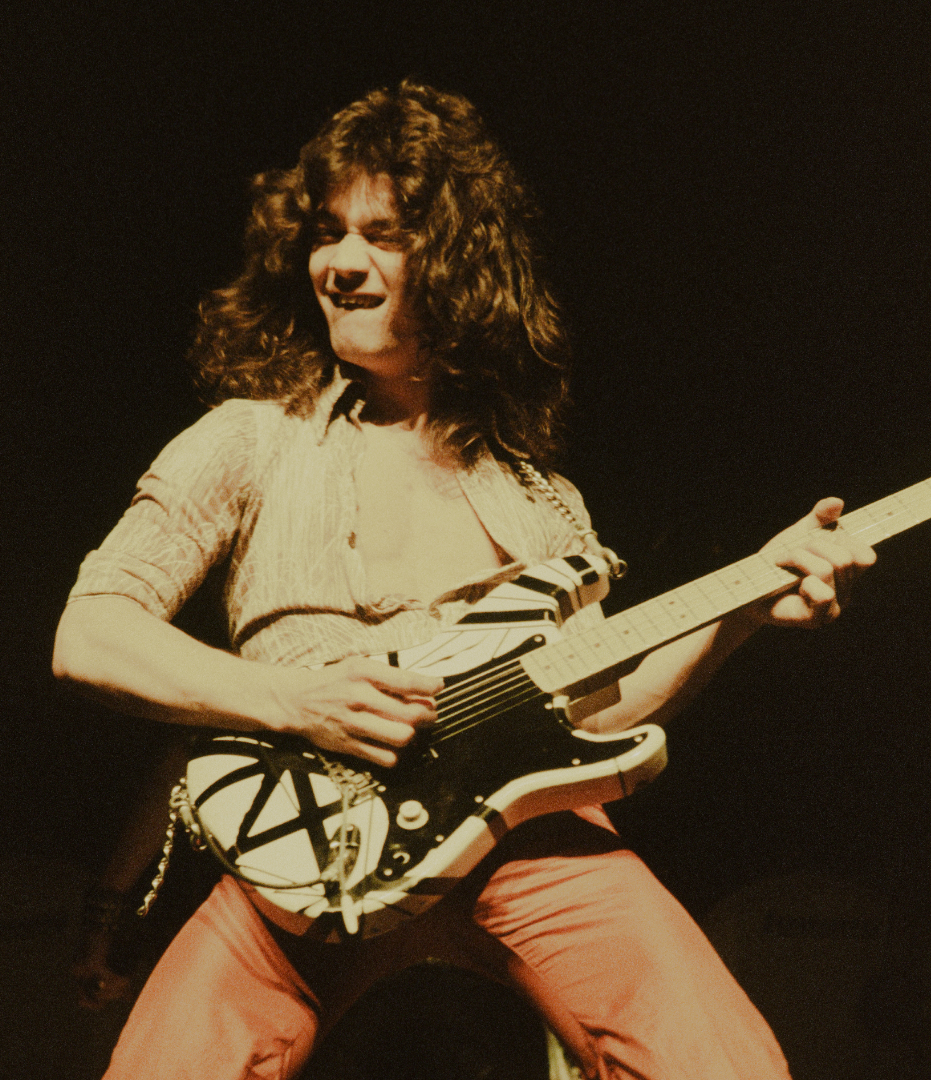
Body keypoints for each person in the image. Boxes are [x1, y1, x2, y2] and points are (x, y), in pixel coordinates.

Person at [50, 81, 872, 1079]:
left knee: (726, 1067)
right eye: (328, 233)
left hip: (525, 849)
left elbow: (600, 718)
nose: (340, 265)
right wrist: (297, 700)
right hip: (308, 850)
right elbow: (88, 633)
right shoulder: (248, 439)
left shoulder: (541, 498)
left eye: (384, 235)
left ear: (457, 264)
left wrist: (743, 610)